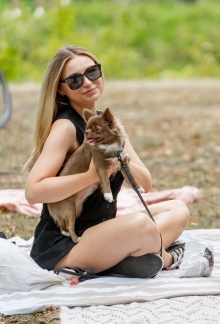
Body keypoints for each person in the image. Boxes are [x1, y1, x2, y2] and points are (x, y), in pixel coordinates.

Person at [24, 45, 190, 278]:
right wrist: (90, 176)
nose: (87, 82)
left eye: (92, 72)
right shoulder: (65, 127)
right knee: (142, 227)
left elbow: (145, 183)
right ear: (61, 90)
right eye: (74, 80)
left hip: (102, 232)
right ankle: (169, 258)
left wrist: (120, 156)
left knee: (177, 209)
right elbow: (33, 191)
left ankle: (117, 258)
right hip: (65, 247)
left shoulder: (108, 124)